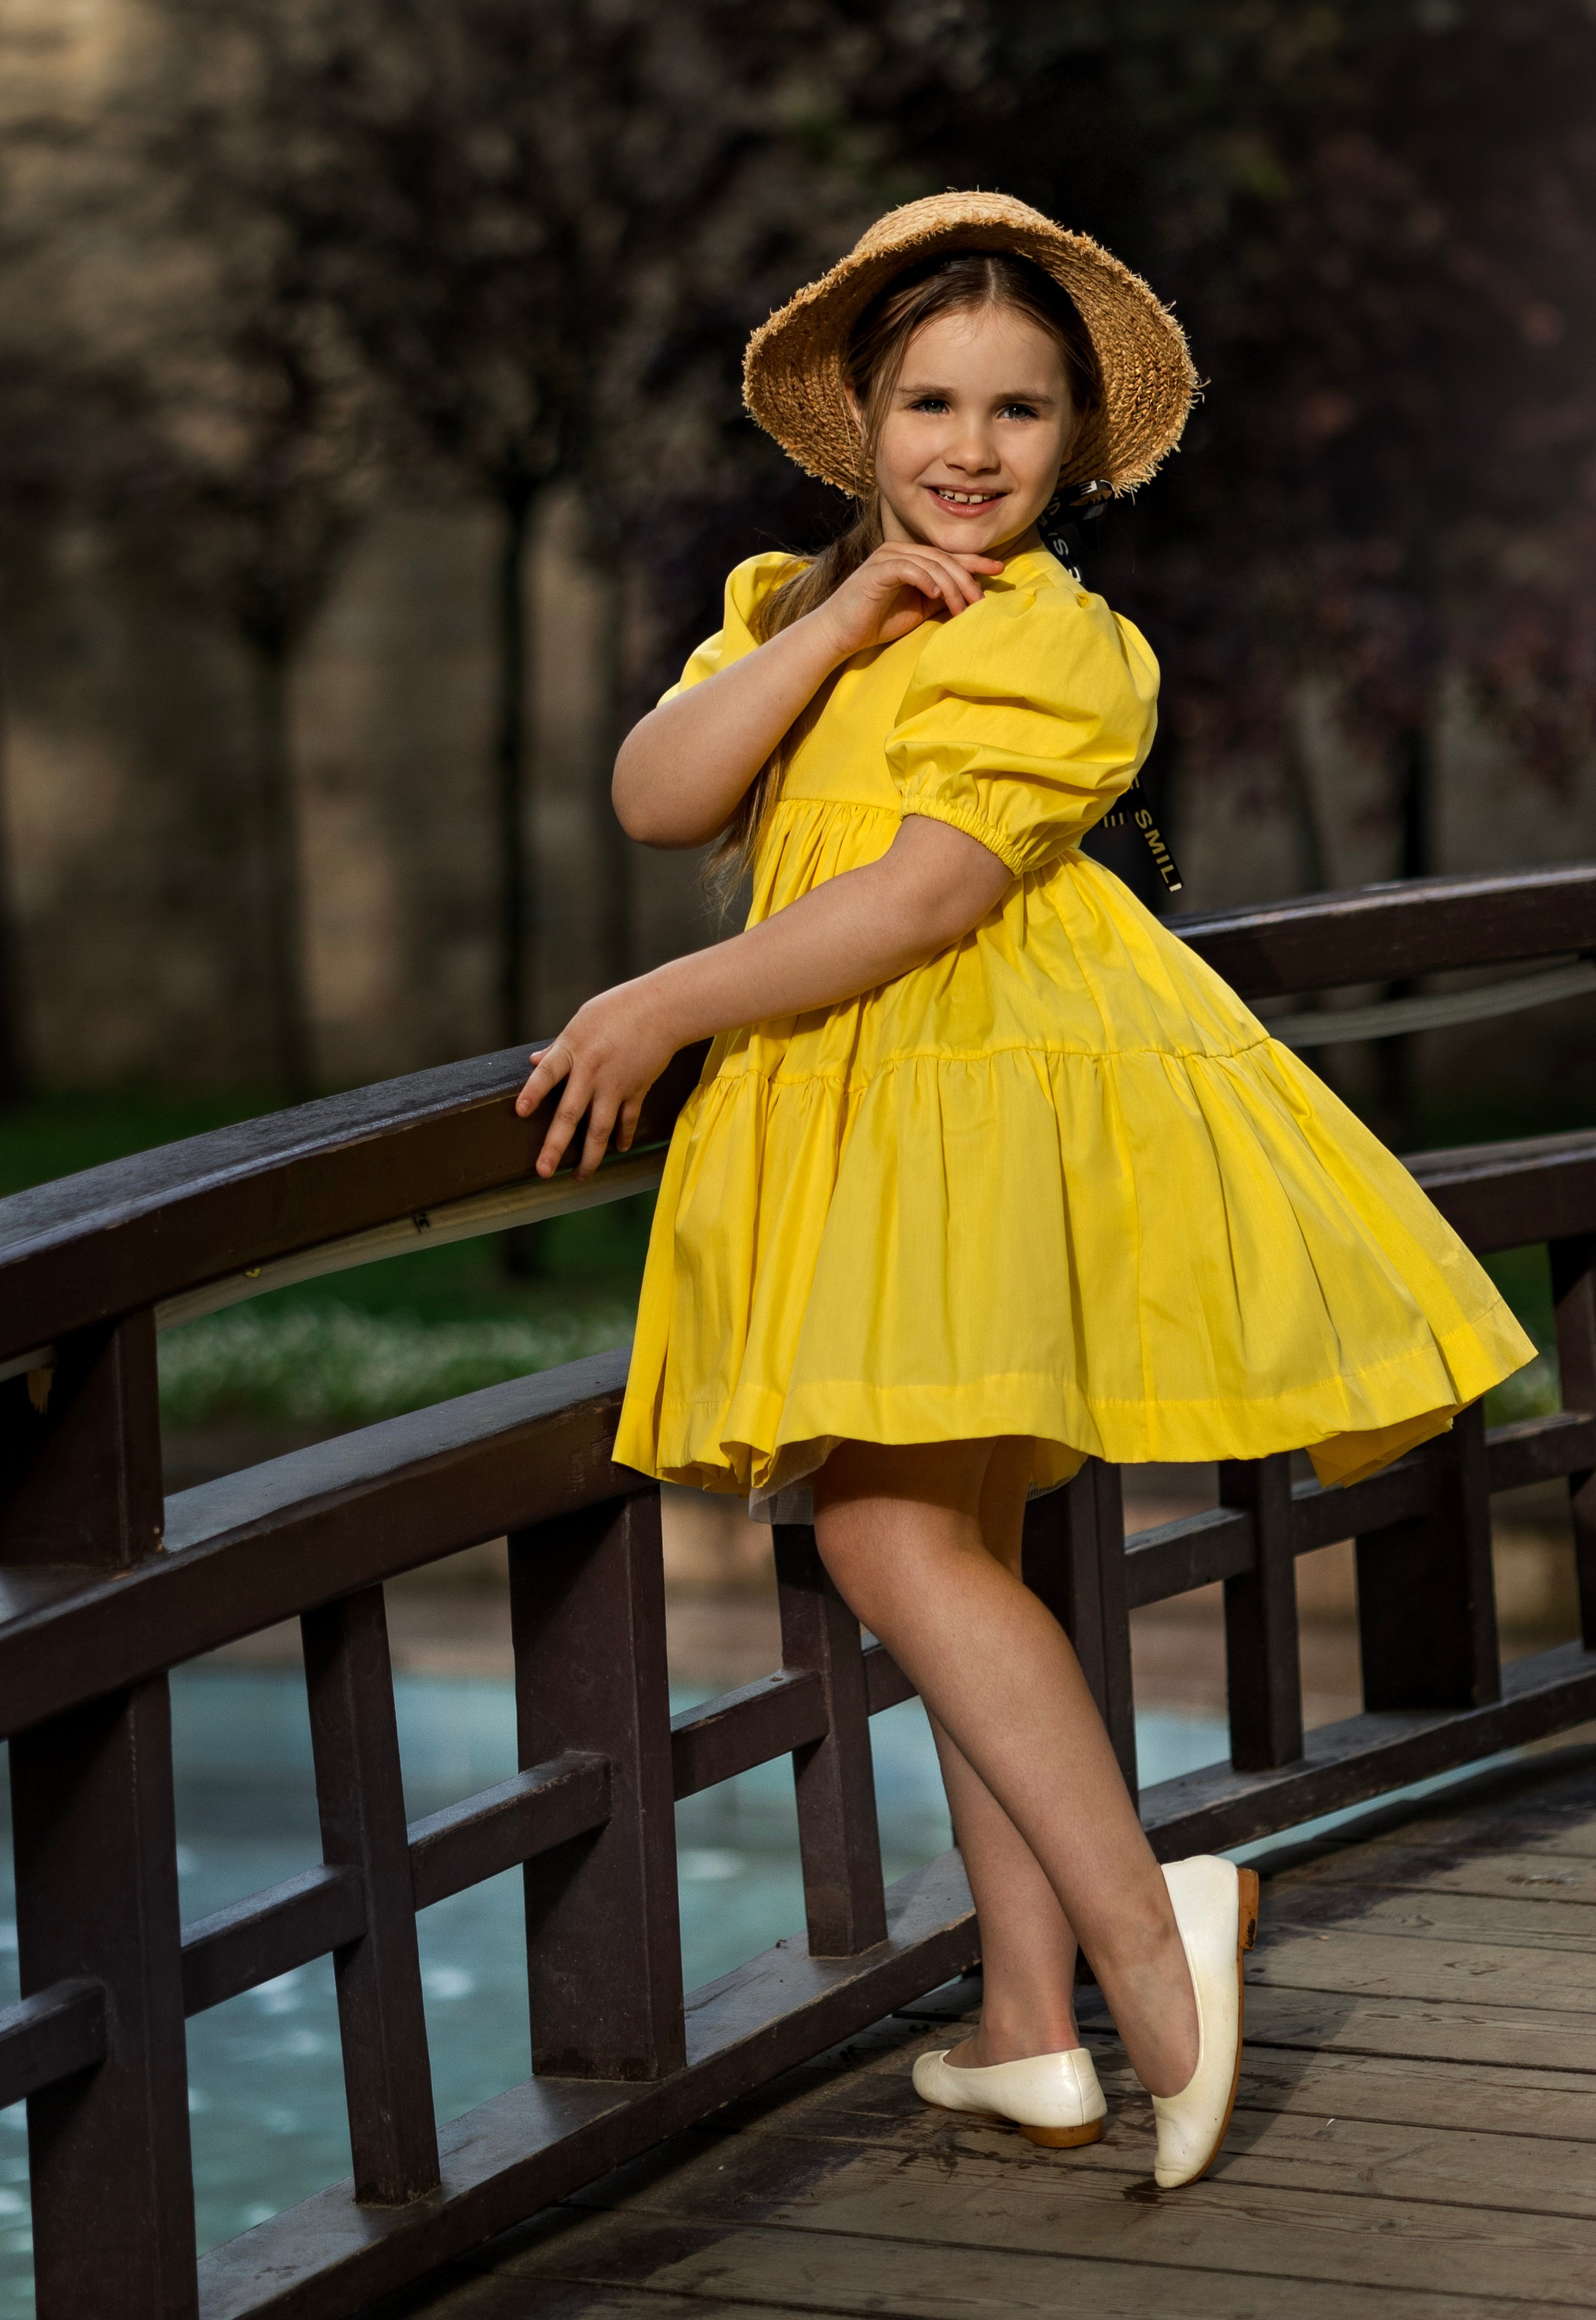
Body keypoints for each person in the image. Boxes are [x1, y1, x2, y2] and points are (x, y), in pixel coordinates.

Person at [513, 191, 1534, 2187]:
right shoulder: (794, 611)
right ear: (864, 421)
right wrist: (835, 623)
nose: (970, 450)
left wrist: (657, 1003)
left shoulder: (1061, 641)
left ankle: (1157, 1944)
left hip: (976, 1105)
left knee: (889, 1534)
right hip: (866, 1108)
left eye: (1019, 411)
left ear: (1074, 442)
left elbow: (920, 901)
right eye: (933, 403)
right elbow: (659, 794)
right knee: (950, 1534)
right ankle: (1024, 2027)